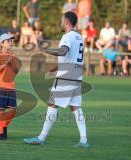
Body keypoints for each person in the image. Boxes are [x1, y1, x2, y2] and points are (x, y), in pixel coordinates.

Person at [24, 12, 90, 148]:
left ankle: (41, 138)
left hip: (66, 77)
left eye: (62, 20)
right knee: (76, 107)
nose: (61, 23)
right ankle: (84, 140)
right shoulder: (79, 37)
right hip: (77, 76)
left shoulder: (67, 36)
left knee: (52, 104)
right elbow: (70, 57)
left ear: (66, 21)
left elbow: (63, 51)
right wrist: (55, 67)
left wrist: (46, 49)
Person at [0, 33, 21, 140]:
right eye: (8, 41)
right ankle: (1, 133)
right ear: (2, 43)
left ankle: (3, 126)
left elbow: (16, 71)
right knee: (0, 110)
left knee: (13, 110)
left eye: (11, 41)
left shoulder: (13, 55)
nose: (11, 42)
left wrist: (14, 64)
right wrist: (6, 63)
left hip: (10, 86)